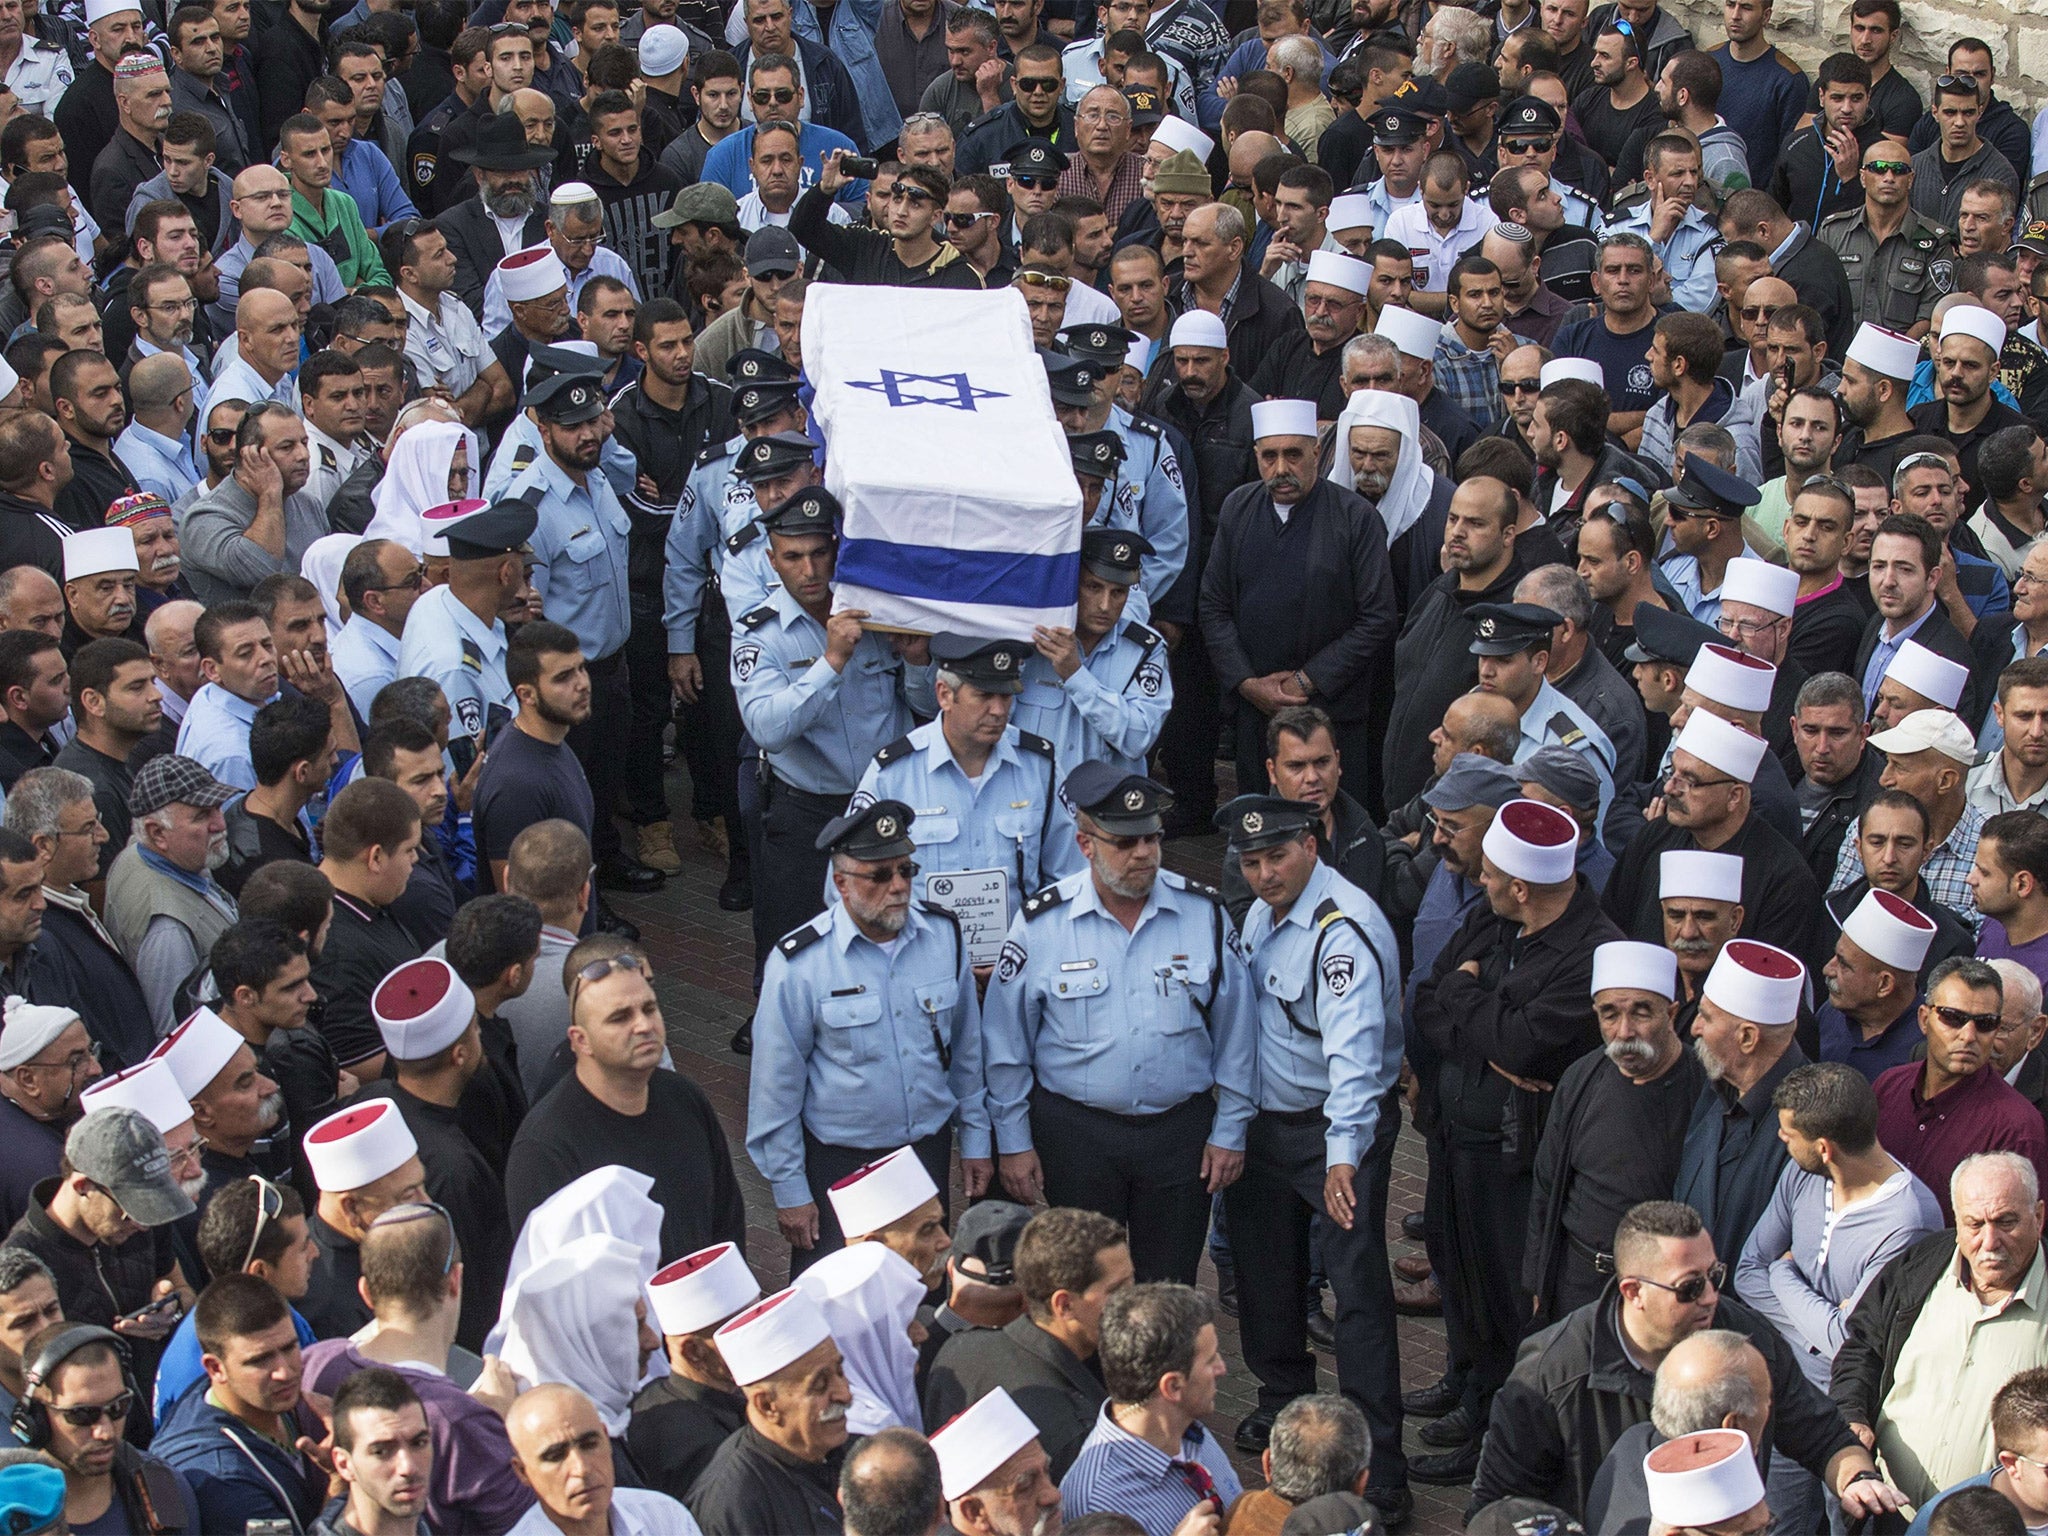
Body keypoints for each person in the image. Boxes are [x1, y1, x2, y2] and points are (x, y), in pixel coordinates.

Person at [1408, 797, 1620, 1485]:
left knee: (1506, 1299)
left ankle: (1494, 1440)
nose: (1481, 883)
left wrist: (1475, 1009)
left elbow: (1525, 1045)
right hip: (1456, 1140)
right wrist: (1484, 1026)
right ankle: (1466, 1388)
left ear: (1521, 888)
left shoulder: (1589, 954)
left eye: (1492, 876)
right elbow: (1430, 1001)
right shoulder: (1492, 921)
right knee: (1460, 1277)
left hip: (1516, 1162)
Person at [983, 763, 1254, 1285]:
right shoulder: (1042, 925)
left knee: (1168, 1287)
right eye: (1125, 843)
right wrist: (1014, 1140)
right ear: (1086, 845)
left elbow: (1238, 1033)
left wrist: (1231, 1129)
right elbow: (1005, 1045)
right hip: (1077, 1136)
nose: (1144, 854)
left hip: (1179, 1135)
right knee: (1083, 1288)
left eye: (1152, 838)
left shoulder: (1204, 915)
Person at [1214, 794, 1406, 1520]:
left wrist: (1342, 1159)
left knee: (1356, 1299)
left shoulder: (1341, 931)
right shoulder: (1266, 913)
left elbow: (1355, 1064)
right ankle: (1286, 1421)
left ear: (1313, 843)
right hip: (1267, 1125)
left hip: (1333, 1136)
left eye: (1276, 856)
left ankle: (1377, 1469)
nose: (1264, 873)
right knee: (1267, 1280)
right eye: (1252, 861)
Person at [1471, 1199, 1901, 1522]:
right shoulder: (1553, 1373)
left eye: (1715, 1277)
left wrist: (1857, 1479)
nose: (1711, 1298)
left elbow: (1820, 1432)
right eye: (1689, 1287)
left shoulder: (1745, 1344)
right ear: (1633, 1292)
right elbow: (1497, 1510)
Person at [748, 798, 986, 1273]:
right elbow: (775, 1089)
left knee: (921, 1294)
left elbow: (966, 1052)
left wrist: (976, 1139)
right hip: (842, 1165)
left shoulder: (943, 936)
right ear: (841, 884)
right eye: (879, 876)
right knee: (840, 1305)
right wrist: (791, 1190)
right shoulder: (800, 964)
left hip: (924, 1154)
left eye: (906, 870)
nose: (898, 886)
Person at [504, 935, 748, 1263]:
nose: (644, 1025)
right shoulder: (545, 1149)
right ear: (580, 1040)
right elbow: (557, 1285)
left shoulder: (684, 1097)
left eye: (649, 1008)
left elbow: (726, 1220)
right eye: (620, 1018)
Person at [1828, 1150, 2048, 1510]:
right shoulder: (1921, 1265)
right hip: (1889, 1514)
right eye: (1974, 1225)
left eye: (2006, 1222)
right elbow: (1863, 1348)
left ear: (2038, 1216)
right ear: (1957, 1221)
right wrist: (1852, 1412)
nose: (1989, 1242)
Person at [1199, 398, 1396, 795]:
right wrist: (1248, 683)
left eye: (1293, 454)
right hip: (1257, 711)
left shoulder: (1356, 519)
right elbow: (1213, 606)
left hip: (1332, 710)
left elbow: (1378, 618)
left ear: (1317, 453)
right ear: (1256, 456)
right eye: (1269, 456)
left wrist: (1307, 682)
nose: (1282, 469)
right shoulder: (1239, 508)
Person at [301, 1202, 534, 1534]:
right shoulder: (463, 1419)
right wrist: (504, 1423)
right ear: (455, 1281)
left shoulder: (316, 1363)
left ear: (366, 1291)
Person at [1525, 941, 1706, 1325]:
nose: (1624, 1031)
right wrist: (1539, 1282)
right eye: (1610, 1015)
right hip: (1576, 1283)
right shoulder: (1582, 1077)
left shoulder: (1702, 1090)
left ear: (1671, 1013)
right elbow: (1546, 1183)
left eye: (1641, 1013)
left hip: (1657, 1294)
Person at [351, 959, 512, 1352]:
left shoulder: (371, 1102)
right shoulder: (455, 1170)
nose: (480, 1034)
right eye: (475, 1028)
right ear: (459, 1055)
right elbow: (473, 1290)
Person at [924, 1206, 1130, 1479]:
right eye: (1117, 1291)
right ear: (1064, 1304)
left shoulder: (959, 1349)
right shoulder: (1078, 1433)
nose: (1133, 1302)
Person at [155, 1272, 342, 1532]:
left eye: (289, 1348)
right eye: (260, 1360)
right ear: (215, 1368)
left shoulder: (272, 1402)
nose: (284, 1372)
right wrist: (339, 1480)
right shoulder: (221, 1480)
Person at [1872, 956, 2048, 1223]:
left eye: (1985, 1023)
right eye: (1953, 1018)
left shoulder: (2017, 1129)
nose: (1968, 1036)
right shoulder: (1888, 1087)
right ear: (1924, 1019)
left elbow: (2018, 1235)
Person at [1058, 1282, 1238, 1532]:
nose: (1222, 1369)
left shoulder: (1190, 1432)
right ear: (1173, 1387)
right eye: (1210, 1361)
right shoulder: (1096, 1503)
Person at [691, 1286, 852, 1535]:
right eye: (820, 1385)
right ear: (767, 1405)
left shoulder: (843, 1450)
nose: (845, 1394)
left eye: (840, 1372)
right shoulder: (733, 1505)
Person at [15, 1321, 201, 1533]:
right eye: (82, 1414)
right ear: (35, 1417)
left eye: (117, 1407)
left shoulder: (164, 1490)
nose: (105, 1432)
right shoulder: (9, 1508)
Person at [102, 755, 239, 1035]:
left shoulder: (144, 853)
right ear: (157, 833)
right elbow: (178, 1035)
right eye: (202, 816)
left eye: (217, 808)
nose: (220, 824)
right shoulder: (168, 930)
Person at [630, 1242, 758, 1506]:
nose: (760, 1337)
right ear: (694, 1351)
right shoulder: (697, 1445)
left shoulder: (655, 1397)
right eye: (741, 1330)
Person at [0, 998, 101, 1236]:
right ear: (28, 1080)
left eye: (91, 1051)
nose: (96, 1069)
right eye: (77, 1061)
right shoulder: (40, 1170)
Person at [1819, 884, 1942, 1080]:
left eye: (1844, 964)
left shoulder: (1923, 1056)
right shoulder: (1834, 1010)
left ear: (1884, 984)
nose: (1828, 969)